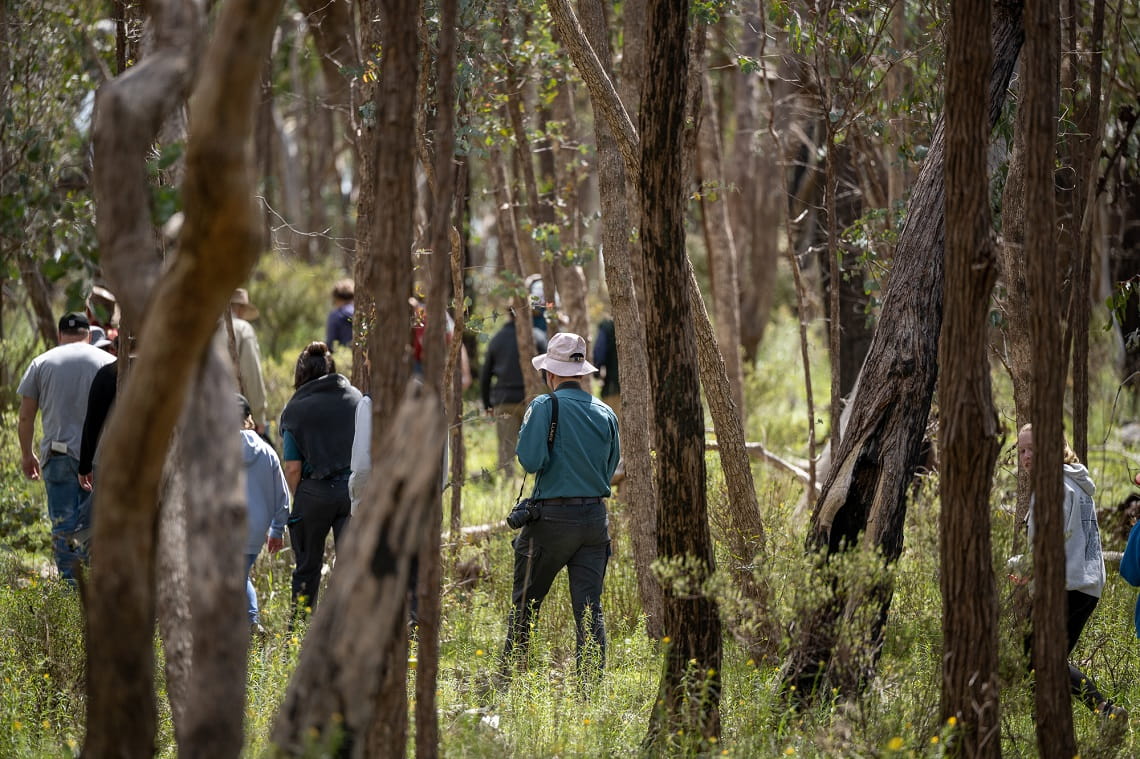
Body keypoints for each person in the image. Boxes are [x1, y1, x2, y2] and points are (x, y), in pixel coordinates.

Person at [499, 332, 620, 678]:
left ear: (550, 374)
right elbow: (609, 469)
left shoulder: (543, 406)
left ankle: (511, 679)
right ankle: (590, 688)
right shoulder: (606, 413)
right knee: (589, 609)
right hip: (595, 522)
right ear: (582, 372)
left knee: (525, 605)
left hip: (551, 520)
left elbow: (531, 461)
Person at [1015, 423, 1127, 720]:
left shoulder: (1053, 488)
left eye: (1032, 450)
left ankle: (1102, 711)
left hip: (1066, 585)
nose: (1026, 457)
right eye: (1021, 450)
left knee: (1038, 656)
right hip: (1085, 585)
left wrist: (1017, 565)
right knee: (1042, 657)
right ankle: (1096, 714)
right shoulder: (1076, 483)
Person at [17, 312, 116, 580]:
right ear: (89, 333)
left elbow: (26, 416)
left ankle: (71, 590)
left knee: (64, 526)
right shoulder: (110, 363)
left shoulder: (41, 362)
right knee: (94, 528)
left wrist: (27, 455)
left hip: (58, 455)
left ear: (60, 335)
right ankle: (93, 588)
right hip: (101, 458)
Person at [279, 342, 361, 613]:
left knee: (307, 568)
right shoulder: (355, 398)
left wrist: (299, 496)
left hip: (313, 492)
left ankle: (297, 635)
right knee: (351, 568)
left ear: (300, 374)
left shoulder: (295, 409)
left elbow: (292, 467)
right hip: (353, 492)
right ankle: (346, 632)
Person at [237, 393, 289, 634]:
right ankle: (249, 623)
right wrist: (277, 529)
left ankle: (249, 622)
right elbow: (282, 494)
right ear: (249, 419)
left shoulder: (215, 448)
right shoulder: (267, 451)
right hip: (256, 529)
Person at [480, 309, 548, 469]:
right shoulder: (536, 336)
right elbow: (548, 370)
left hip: (504, 401)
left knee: (506, 450)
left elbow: (485, 376)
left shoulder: (497, 339)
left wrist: (487, 405)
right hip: (531, 400)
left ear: (508, 315)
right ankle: (533, 481)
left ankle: (508, 485)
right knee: (535, 446)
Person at [230, 288, 269, 436]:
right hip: (234, 414)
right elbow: (252, 374)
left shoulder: (205, 328)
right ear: (241, 309)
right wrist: (258, 417)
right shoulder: (243, 329)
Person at [325, 278, 355, 350]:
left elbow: (330, 343)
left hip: (343, 357)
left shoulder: (335, 315)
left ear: (336, 298)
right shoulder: (359, 313)